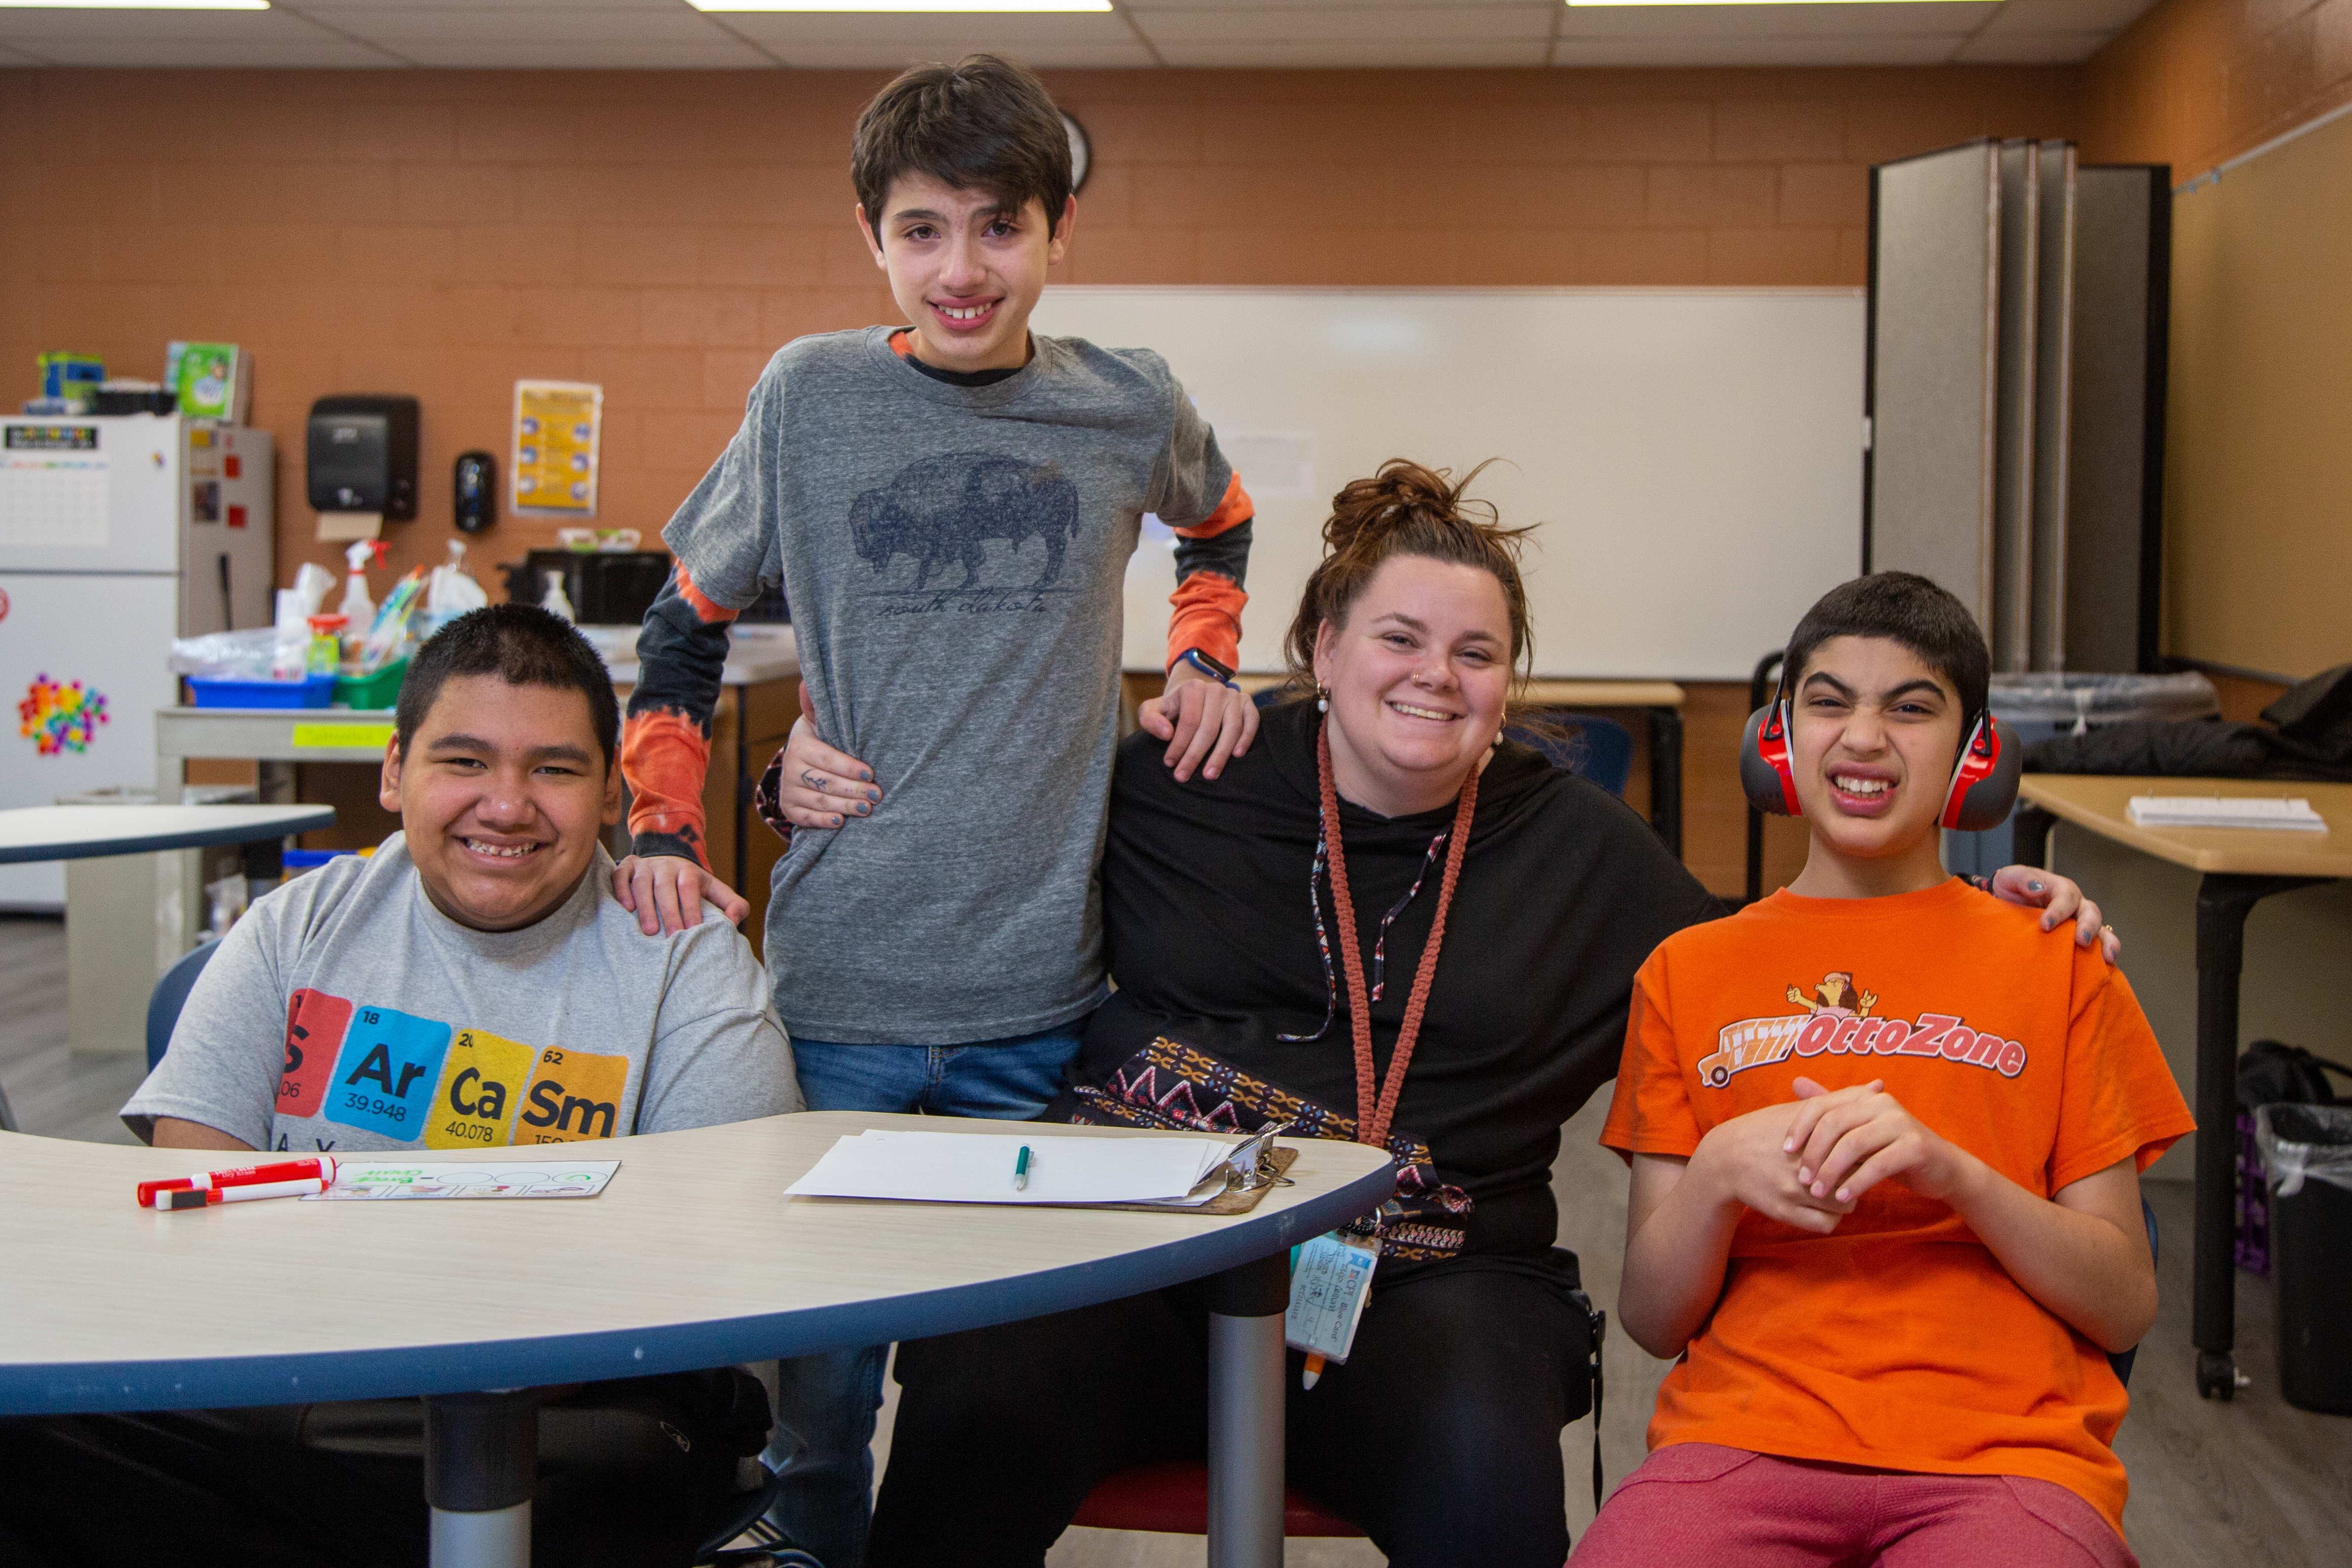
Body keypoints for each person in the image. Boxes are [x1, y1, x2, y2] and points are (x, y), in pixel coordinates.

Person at [865, 464, 2117, 1568]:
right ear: (1321, 645)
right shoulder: (1184, 774)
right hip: (1134, 1258)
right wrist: (798, 784)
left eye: (1476, 655)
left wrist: (2006, 910)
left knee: (1483, 1459)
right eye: (1400, 639)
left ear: (1509, 680)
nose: (1436, 678)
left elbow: (1791, 963)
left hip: (1428, 1286)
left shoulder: (1586, 855)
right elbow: (963, 839)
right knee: (977, 1394)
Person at [608, 55, 1263, 1565]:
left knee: (994, 1405)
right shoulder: (810, 396)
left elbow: (1219, 521)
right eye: (922, 231)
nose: (961, 270)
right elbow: (683, 622)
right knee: (818, 1410)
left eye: (996, 228)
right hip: (837, 987)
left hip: (1039, 1002)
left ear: (1059, 230)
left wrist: (1211, 655)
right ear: (871, 238)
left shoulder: (1125, 402)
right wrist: (669, 822)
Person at [0, 605, 799, 1568]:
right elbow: (198, 1207)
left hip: (579, 1401)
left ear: (610, 794)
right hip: (296, 1377)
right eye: (463, 762)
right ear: (393, 774)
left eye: (554, 769)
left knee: (605, 1467)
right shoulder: (295, 928)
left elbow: (708, 1276)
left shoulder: (687, 962)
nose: (506, 805)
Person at [1579, 572, 2194, 1568]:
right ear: (1780, 738)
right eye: (1829, 701)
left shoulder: (2059, 956)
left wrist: (1954, 1172)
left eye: (1911, 708)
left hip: (2004, 1455)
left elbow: (2123, 1300)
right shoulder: (1687, 973)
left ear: (1974, 749)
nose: (1863, 737)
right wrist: (1722, 1176)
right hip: (1743, 1440)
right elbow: (1653, 1318)